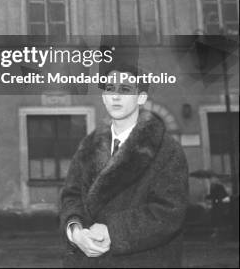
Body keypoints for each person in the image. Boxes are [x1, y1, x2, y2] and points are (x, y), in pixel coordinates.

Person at [60, 63, 189, 268]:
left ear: (141, 97)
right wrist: (75, 232)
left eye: (126, 89)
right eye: (110, 89)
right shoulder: (88, 146)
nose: (116, 96)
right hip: (86, 260)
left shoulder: (166, 150)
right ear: (103, 97)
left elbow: (169, 212)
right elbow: (71, 196)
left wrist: (112, 231)